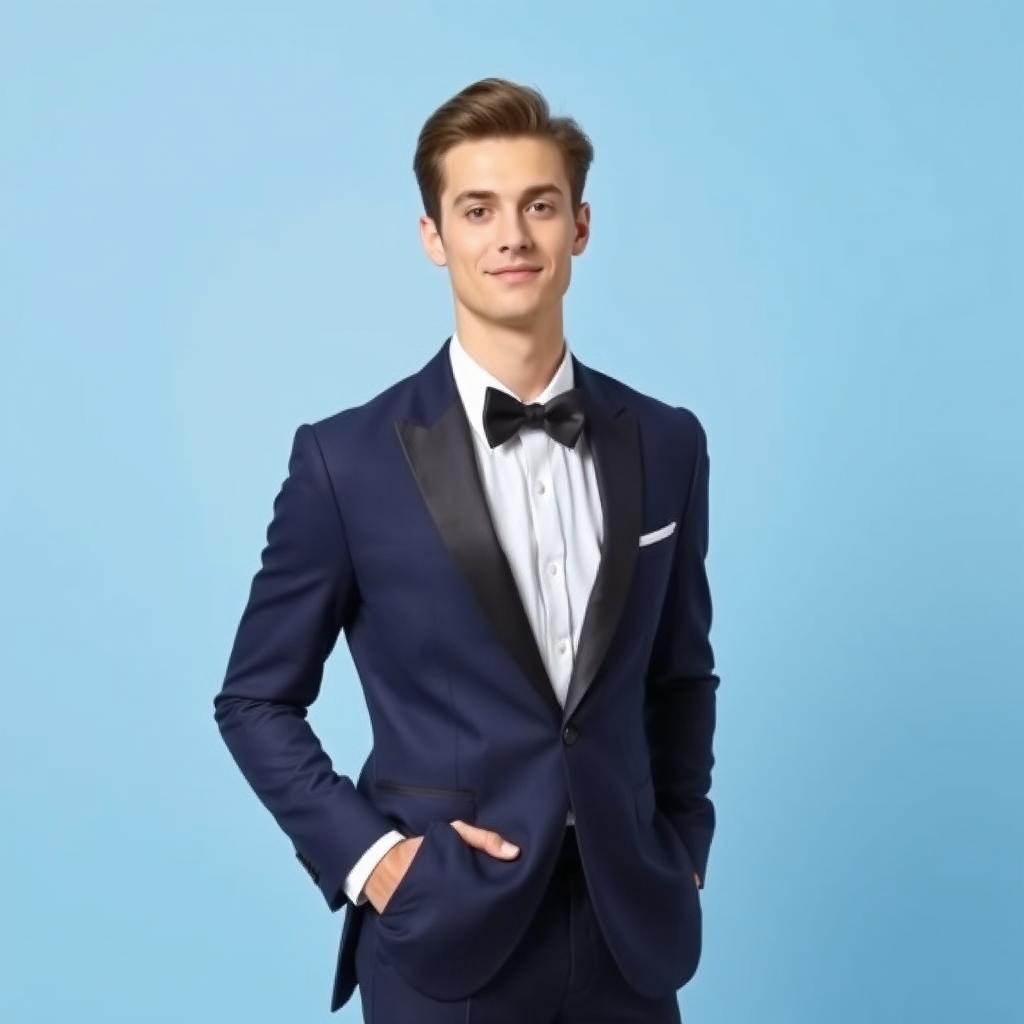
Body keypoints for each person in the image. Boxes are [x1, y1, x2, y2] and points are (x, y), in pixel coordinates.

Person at [213, 76, 719, 1022]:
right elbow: (253, 699)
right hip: (447, 933)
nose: (512, 236)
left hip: (630, 930)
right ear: (434, 239)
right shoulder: (346, 462)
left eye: (539, 205)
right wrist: (377, 862)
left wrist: (684, 843)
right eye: (477, 210)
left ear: (581, 226)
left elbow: (681, 674)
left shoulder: (668, 441)